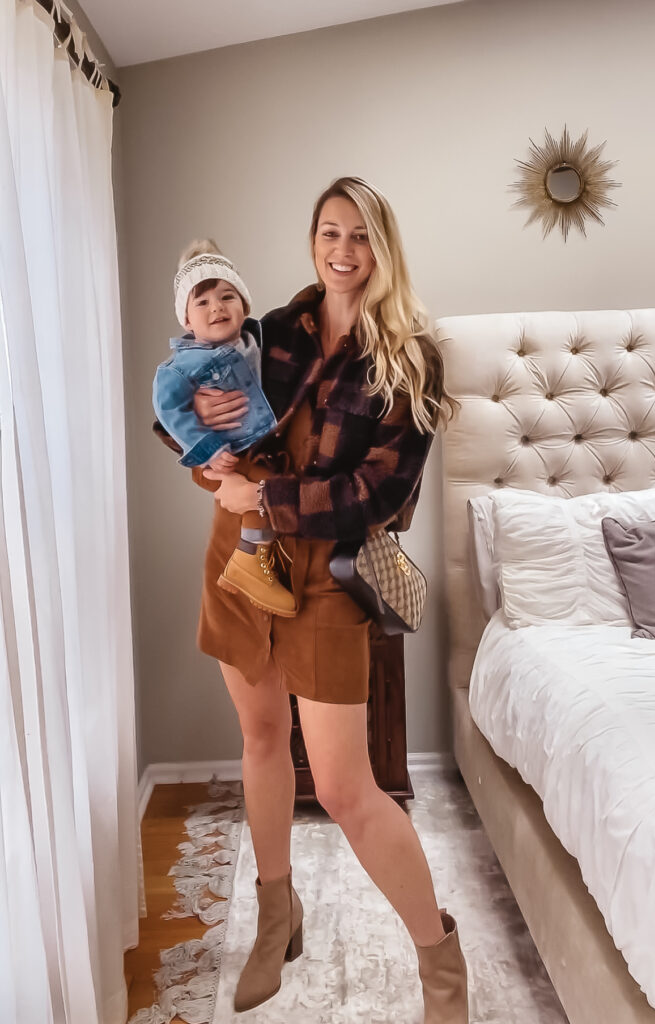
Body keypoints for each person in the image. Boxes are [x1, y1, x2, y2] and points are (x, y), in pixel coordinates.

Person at [154, 176, 468, 1022]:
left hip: (328, 573)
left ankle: (440, 965)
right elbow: (185, 397)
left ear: (384, 246)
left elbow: (377, 491)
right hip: (239, 563)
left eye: (360, 235)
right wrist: (202, 443)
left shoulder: (411, 353)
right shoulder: (276, 327)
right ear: (312, 239)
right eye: (329, 231)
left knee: (343, 789)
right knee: (259, 741)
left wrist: (267, 501)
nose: (341, 250)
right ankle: (276, 913)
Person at [152, 241, 296, 616]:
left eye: (227, 296)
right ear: (187, 321)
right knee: (258, 487)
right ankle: (250, 557)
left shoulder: (258, 339)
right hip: (233, 448)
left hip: (264, 439)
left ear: (245, 306)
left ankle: (257, 555)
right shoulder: (183, 366)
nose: (216, 307)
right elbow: (169, 409)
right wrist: (207, 447)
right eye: (201, 303)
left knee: (268, 483)